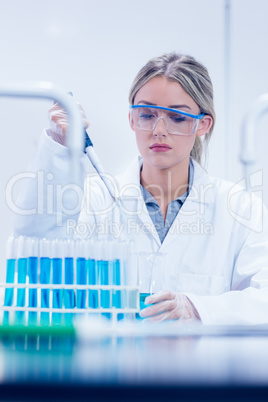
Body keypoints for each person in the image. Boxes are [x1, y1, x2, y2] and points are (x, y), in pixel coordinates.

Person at [13, 52, 268, 325]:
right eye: (147, 114)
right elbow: (35, 248)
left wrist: (197, 308)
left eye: (177, 117)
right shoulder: (93, 197)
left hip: (200, 365)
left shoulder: (240, 207)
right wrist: (59, 145)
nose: (159, 130)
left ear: (202, 124)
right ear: (132, 120)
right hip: (111, 364)